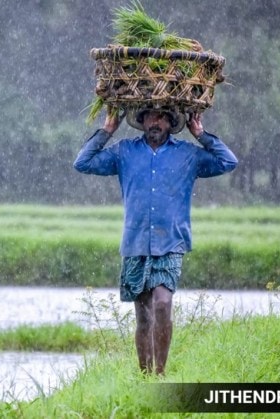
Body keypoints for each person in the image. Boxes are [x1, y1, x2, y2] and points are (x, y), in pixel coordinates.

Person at [73, 106, 238, 374]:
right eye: (150, 115)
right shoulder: (124, 151)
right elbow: (83, 163)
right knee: (144, 316)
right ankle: (145, 375)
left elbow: (228, 162)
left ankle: (160, 374)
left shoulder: (188, 155)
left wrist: (201, 134)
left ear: (172, 122)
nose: (155, 121)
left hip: (170, 242)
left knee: (162, 303)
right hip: (135, 242)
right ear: (141, 120)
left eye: (162, 116)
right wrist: (107, 130)